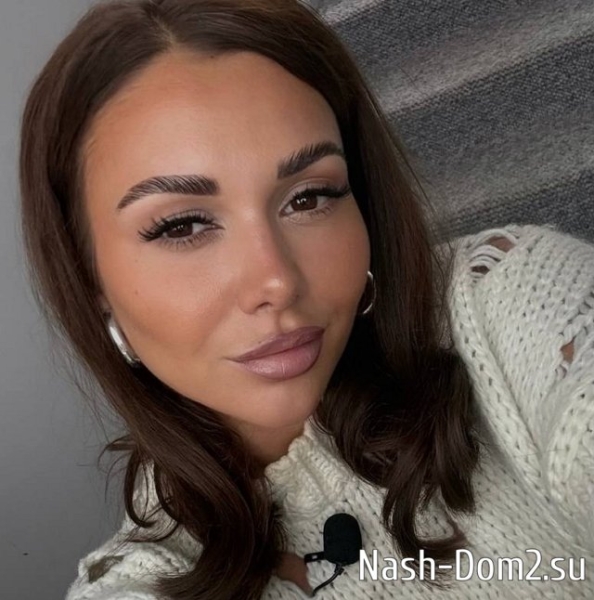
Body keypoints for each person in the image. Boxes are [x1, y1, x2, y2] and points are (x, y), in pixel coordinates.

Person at [18, 0, 594, 598]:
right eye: (182, 225)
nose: (277, 281)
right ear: (90, 278)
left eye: (310, 197)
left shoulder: (514, 304)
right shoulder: (142, 578)